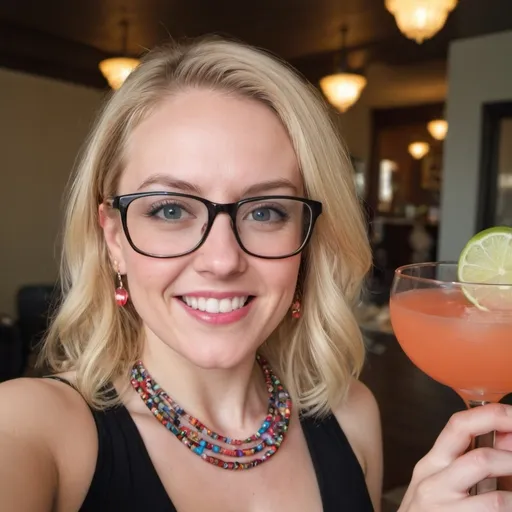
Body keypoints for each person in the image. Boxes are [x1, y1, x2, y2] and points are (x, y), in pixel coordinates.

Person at [1, 37, 512, 512]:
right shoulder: (31, 428)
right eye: (171, 210)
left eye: (266, 211)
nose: (222, 261)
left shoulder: (353, 413)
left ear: (306, 242)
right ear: (114, 237)